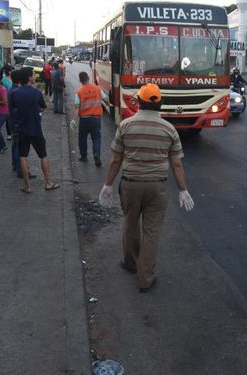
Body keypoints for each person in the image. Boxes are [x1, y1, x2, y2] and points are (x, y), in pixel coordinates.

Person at [99, 83, 195, 293]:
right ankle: (145, 278)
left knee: (130, 224)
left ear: (139, 101)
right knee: (151, 232)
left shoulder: (126, 125)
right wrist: (183, 190)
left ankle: (130, 263)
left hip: (130, 185)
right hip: (157, 188)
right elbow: (176, 163)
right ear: (159, 103)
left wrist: (107, 185)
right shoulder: (169, 129)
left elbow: (116, 160)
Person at [9, 67, 60, 193]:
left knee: (23, 156)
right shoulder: (36, 93)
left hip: (21, 129)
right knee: (43, 155)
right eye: (32, 75)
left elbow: (12, 111)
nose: (34, 76)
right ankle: (48, 183)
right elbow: (43, 106)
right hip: (36, 129)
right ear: (29, 78)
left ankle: (26, 186)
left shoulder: (14, 93)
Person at [71, 71, 105, 167]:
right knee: (96, 138)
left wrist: (74, 119)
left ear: (80, 80)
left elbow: (77, 107)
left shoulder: (79, 92)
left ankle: (84, 156)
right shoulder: (98, 89)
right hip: (96, 119)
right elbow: (105, 98)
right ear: (88, 78)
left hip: (84, 119)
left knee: (82, 138)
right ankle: (96, 154)